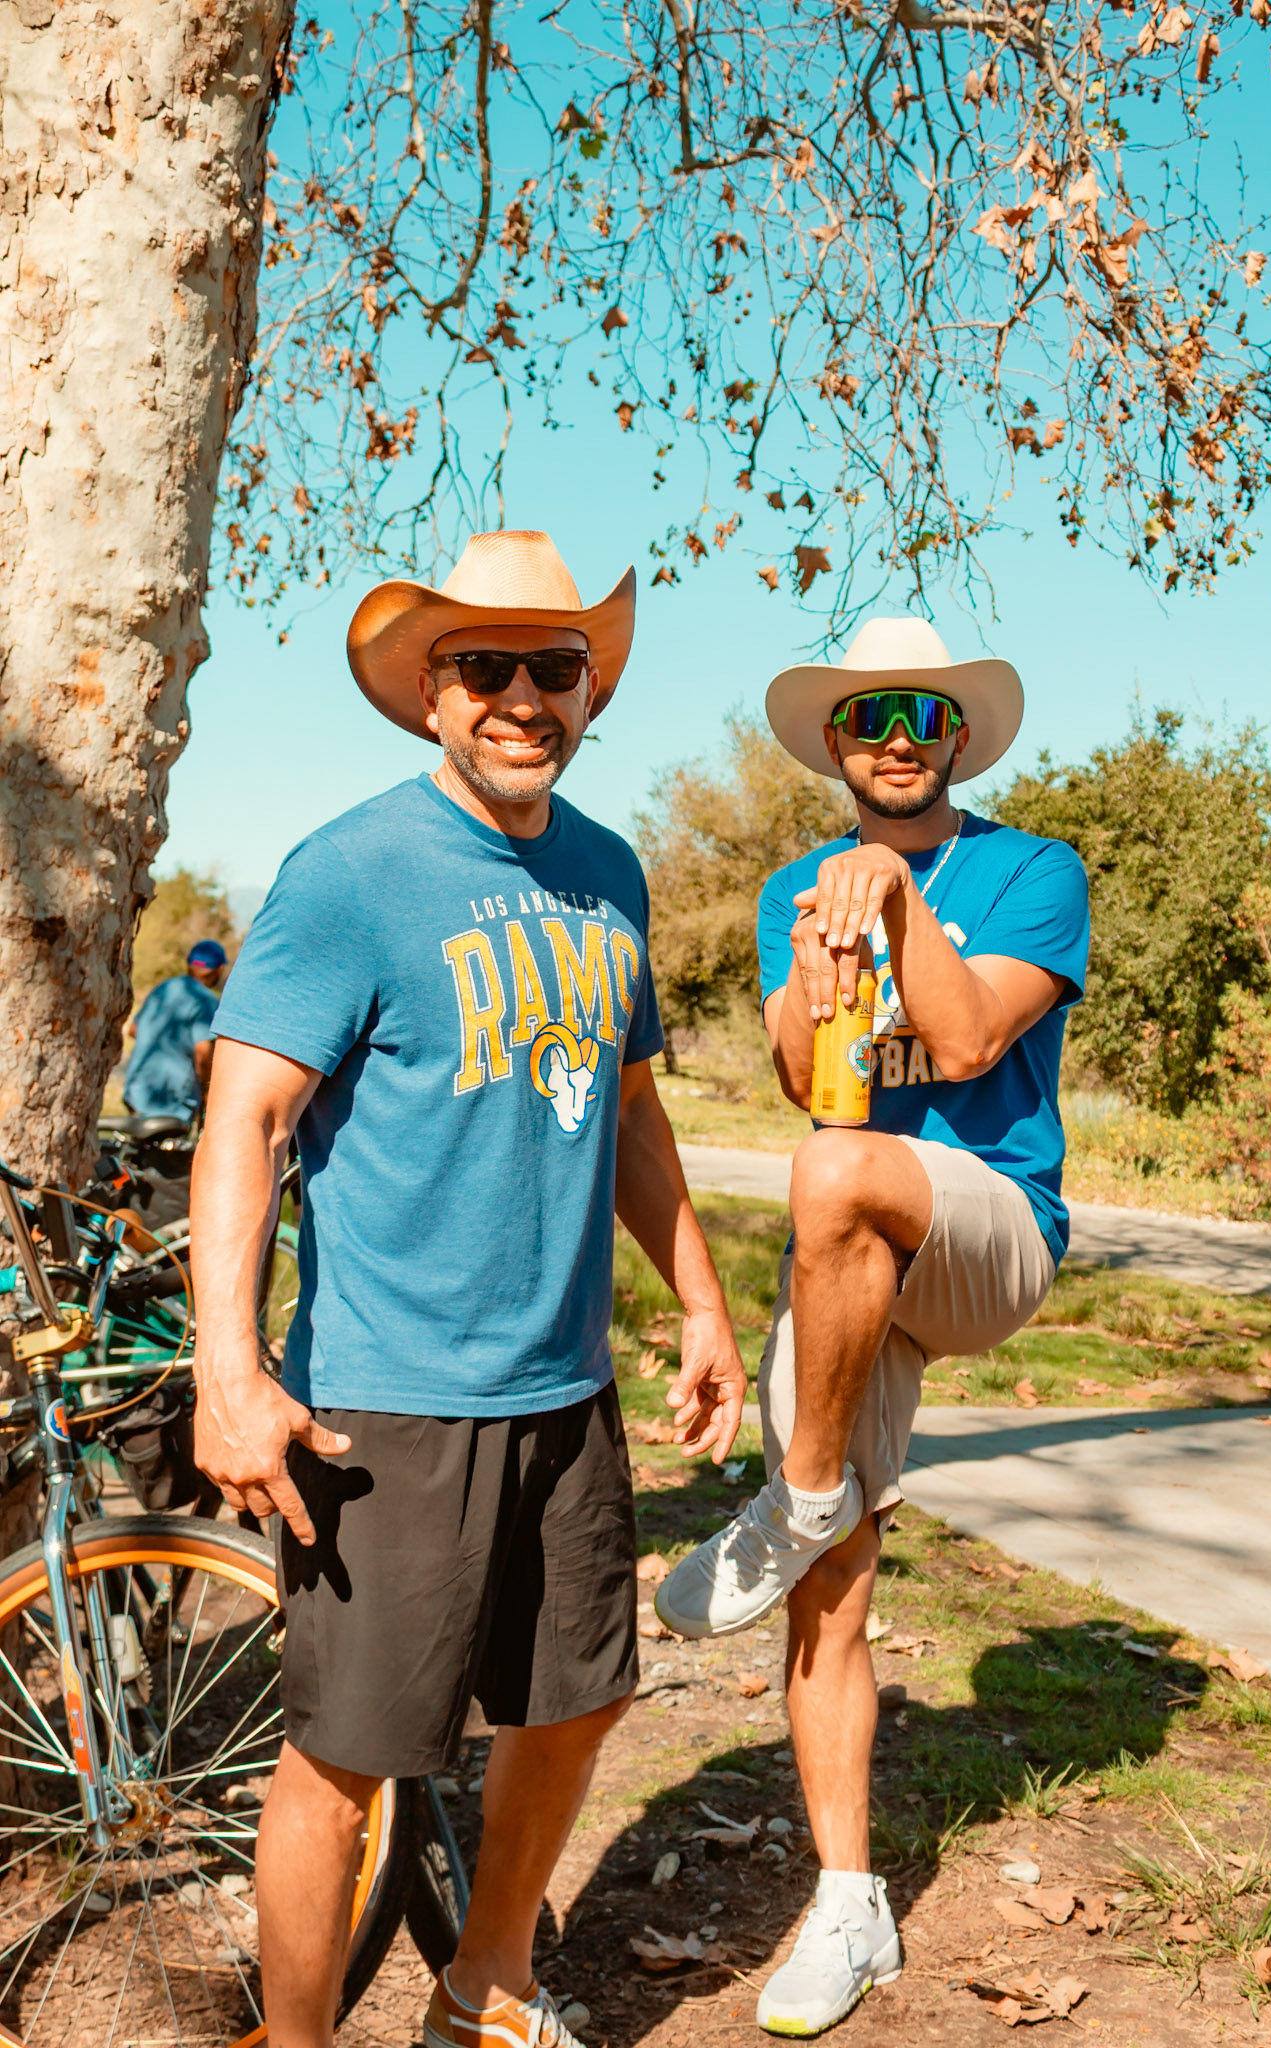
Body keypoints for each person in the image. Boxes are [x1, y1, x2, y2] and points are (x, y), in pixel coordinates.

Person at [190, 530, 747, 2048]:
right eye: (482, 665)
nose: (519, 695)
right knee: (348, 1758)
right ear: (431, 695)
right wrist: (228, 1373)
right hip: (389, 1402)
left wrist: (700, 1300)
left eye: (551, 666)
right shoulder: (352, 872)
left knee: (580, 1698)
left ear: (589, 693)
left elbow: (632, 1108)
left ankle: (483, 1984)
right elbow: (245, 1116)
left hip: (567, 1384)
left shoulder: (609, 871)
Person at [657, 616, 1090, 2037]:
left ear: (957, 733)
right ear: (835, 742)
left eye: (922, 712)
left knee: (838, 1177)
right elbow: (811, 1086)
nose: (897, 737)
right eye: (869, 716)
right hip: (856, 1256)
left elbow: (965, 1046)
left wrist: (899, 904)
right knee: (830, 1577)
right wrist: (813, 968)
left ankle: (794, 1492)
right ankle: (849, 1903)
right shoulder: (795, 887)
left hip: (989, 1229)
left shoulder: (1034, 871)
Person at [122, 938, 228, 1120]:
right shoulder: (205, 1000)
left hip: (136, 1090)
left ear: (188, 963)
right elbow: (202, 1054)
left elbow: (133, 1029)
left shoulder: (163, 988)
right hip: (172, 1100)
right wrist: (208, 1094)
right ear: (219, 969)